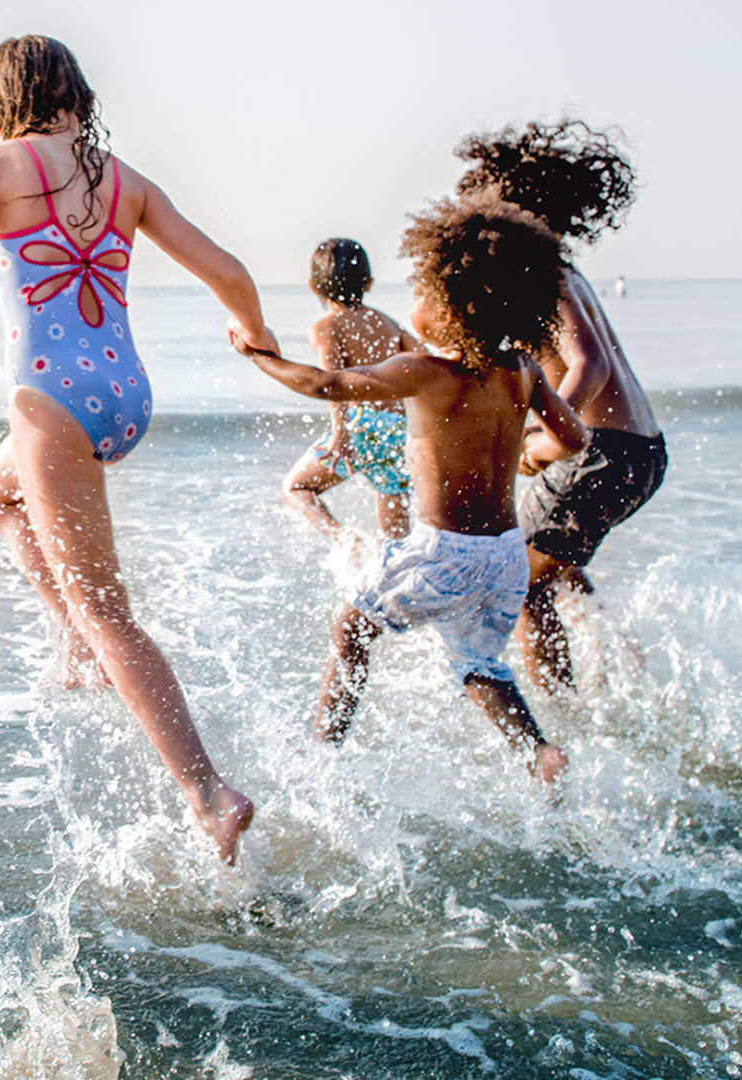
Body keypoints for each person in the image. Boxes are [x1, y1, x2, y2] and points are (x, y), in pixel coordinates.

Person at [0, 35, 265, 863]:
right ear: (75, 91)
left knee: (111, 614)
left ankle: (207, 791)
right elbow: (230, 270)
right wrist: (255, 331)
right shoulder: (123, 177)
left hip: (50, 402)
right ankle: (74, 641)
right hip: (123, 396)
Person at [241, 195, 587, 784]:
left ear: (454, 304)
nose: (416, 304)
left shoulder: (428, 372)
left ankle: (320, 755)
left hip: (443, 551)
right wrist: (528, 454)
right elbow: (573, 439)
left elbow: (325, 384)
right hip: (505, 555)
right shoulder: (523, 369)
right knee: (478, 663)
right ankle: (539, 753)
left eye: (425, 293)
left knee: (351, 628)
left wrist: (260, 357)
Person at [452, 119, 668, 691]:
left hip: (602, 453)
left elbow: (589, 365)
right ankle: (616, 669)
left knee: (519, 584)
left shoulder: (546, 275)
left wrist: (547, 438)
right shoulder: (563, 272)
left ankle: (559, 711)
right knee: (556, 564)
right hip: (640, 453)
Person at [280, 238, 418, 552]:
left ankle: (343, 538)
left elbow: (333, 382)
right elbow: (424, 360)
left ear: (313, 287)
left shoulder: (328, 327)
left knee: (296, 487)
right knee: (395, 538)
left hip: (361, 423)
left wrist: (341, 432)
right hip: (399, 428)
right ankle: (393, 578)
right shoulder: (389, 324)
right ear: (368, 283)